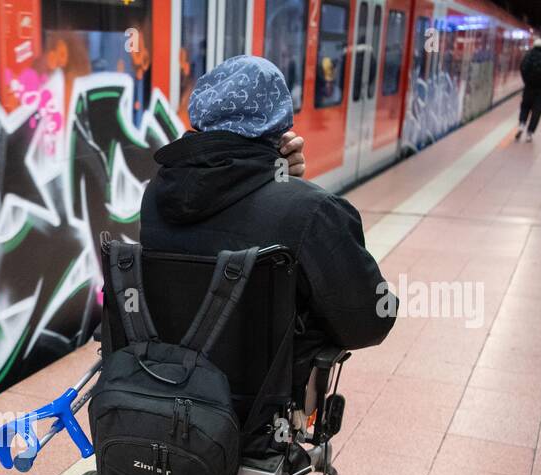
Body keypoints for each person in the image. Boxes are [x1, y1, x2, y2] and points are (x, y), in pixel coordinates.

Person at [141, 55, 395, 371]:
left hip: (165, 381)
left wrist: (275, 176)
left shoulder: (154, 195)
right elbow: (371, 321)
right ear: (280, 122)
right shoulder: (313, 211)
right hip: (256, 408)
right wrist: (284, 183)